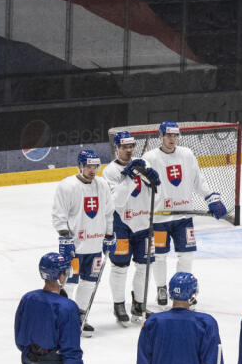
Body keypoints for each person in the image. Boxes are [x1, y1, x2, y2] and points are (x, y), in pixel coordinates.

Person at [142, 122, 228, 309]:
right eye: (168, 135)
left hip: (183, 217)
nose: (172, 139)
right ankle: (161, 288)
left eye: (175, 135)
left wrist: (210, 198)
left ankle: (184, 288)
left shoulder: (187, 154)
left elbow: (198, 180)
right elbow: (142, 183)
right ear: (161, 136)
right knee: (160, 256)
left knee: (187, 255)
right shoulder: (150, 157)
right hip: (159, 218)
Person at [51, 149, 116, 336]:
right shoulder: (67, 186)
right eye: (88, 166)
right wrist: (64, 237)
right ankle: (63, 319)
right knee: (69, 283)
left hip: (95, 246)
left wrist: (109, 236)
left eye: (95, 166)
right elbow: (59, 216)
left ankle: (80, 316)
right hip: (74, 247)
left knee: (89, 283)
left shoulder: (102, 184)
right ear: (80, 166)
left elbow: (108, 213)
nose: (92, 170)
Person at [108, 146, 161, 325]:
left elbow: (156, 192)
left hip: (144, 223)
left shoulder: (143, 163)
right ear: (116, 148)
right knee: (120, 266)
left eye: (131, 146)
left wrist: (154, 181)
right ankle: (119, 305)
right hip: (121, 224)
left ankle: (139, 304)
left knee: (145, 266)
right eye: (124, 147)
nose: (128, 150)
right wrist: (130, 177)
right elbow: (117, 201)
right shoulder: (110, 171)